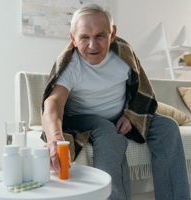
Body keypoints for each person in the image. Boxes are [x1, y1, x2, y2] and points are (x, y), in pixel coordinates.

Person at [41, 4, 190, 200]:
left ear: (112, 34)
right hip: (83, 118)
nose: (93, 45)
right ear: (73, 39)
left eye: (100, 36)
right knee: (107, 131)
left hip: (121, 113)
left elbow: (141, 90)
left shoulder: (123, 54)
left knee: (168, 126)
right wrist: (55, 139)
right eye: (84, 37)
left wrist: (130, 115)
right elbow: (53, 104)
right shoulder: (70, 65)